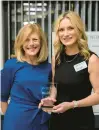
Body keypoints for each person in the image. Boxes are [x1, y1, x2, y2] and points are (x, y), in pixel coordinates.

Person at [39, 11, 99, 129]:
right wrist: (50, 99)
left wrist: (72, 104)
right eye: (61, 30)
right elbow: (55, 86)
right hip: (58, 121)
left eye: (70, 28)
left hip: (81, 122)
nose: (65, 34)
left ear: (79, 30)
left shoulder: (91, 59)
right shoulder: (56, 58)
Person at [0, 23, 52, 130]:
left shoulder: (49, 68)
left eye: (35, 39)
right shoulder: (11, 65)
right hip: (16, 122)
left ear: (41, 42)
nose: (31, 44)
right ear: (21, 43)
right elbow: (3, 98)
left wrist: (48, 106)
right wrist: (10, 120)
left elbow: (50, 96)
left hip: (41, 121)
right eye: (27, 40)